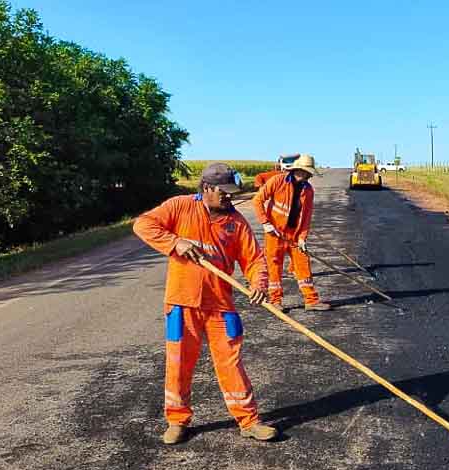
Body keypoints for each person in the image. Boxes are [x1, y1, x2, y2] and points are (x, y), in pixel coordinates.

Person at [133, 162, 278, 445]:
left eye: (231, 192)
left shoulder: (236, 222)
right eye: (223, 192)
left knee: (232, 364)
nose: (229, 197)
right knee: (179, 363)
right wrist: (176, 243)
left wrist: (258, 283)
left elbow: (254, 260)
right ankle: (177, 420)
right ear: (207, 188)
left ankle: (248, 420)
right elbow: (143, 224)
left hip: (220, 304)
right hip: (182, 303)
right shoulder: (180, 206)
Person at [252, 154, 331, 312]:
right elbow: (257, 200)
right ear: (298, 170)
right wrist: (266, 223)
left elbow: (306, 216)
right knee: (274, 266)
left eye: (309, 173)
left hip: (294, 235)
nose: (308, 176)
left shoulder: (308, 190)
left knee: (303, 265)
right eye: (306, 172)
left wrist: (302, 238)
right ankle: (275, 300)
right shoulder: (277, 181)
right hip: (275, 234)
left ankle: (311, 300)